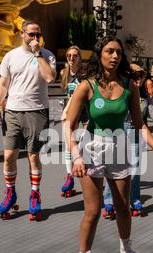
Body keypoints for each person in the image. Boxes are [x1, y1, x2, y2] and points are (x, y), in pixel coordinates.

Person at [65, 36, 153, 253]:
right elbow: (69, 125)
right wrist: (76, 156)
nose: (114, 56)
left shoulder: (129, 86)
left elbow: (140, 125)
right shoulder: (86, 86)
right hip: (91, 149)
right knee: (93, 211)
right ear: (100, 54)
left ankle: (127, 250)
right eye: (109, 51)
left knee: (123, 206)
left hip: (120, 148)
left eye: (118, 52)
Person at [0, 19, 56, 221]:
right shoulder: (11, 56)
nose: (35, 38)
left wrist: (38, 54)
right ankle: (10, 192)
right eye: (31, 35)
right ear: (22, 34)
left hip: (37, 112)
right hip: (12, 112)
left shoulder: (47, 55)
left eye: (38, 35)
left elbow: (49, 78)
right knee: (9, 155)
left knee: (33, 156)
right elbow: (3, 84)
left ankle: (35, 193)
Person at [102, 64, 153, 219]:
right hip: (118, 131)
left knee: (136, 169)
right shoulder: (119, 92)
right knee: (115, 167)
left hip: (136, 132)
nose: (138, 81)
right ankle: (109, 201)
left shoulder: (145, 98)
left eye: (141, 78)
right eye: (135, 77)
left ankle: (135, 200)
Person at [59, 45, 88, 198]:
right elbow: (67, 93)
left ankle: (89, 169)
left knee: (86, 143)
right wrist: (64, 109)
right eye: (69, 56)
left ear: (79, 57)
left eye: (75, 56)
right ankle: (69, 176)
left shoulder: (84, 74)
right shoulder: (64, 73)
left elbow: (79, 93)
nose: (71, 58)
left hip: (85, 111)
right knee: (68, 144)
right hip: (70, 111)